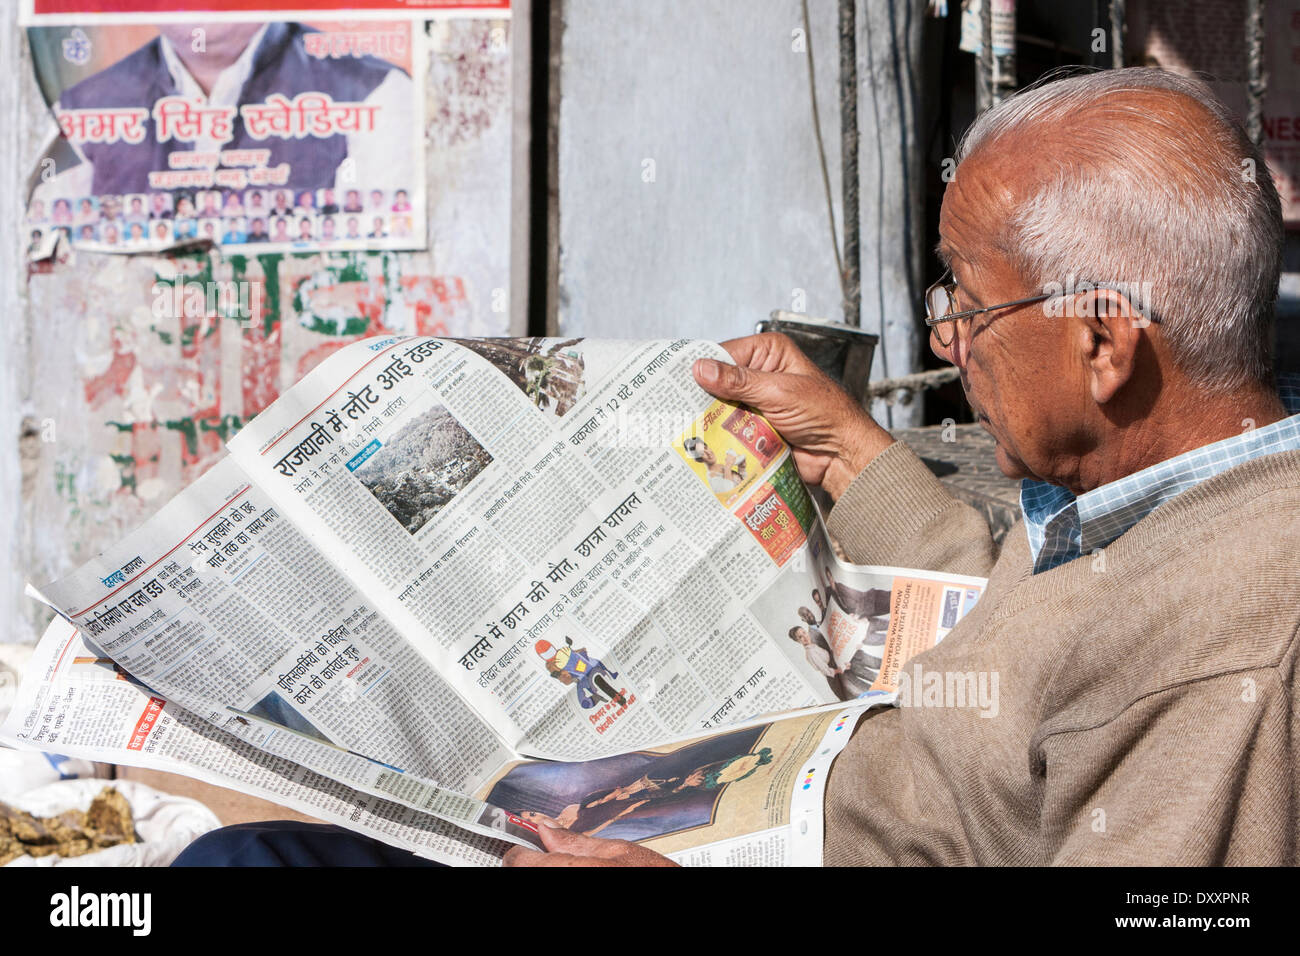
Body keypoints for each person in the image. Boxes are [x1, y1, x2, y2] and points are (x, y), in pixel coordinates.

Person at [172, 68, 1300, 868]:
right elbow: (1023, 637)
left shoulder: (1224, 660)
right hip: (789, 803)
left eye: (969, 301)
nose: (949, 341)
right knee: (255, 849)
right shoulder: (1141, 505)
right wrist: (849, 454)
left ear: (1102, 346)